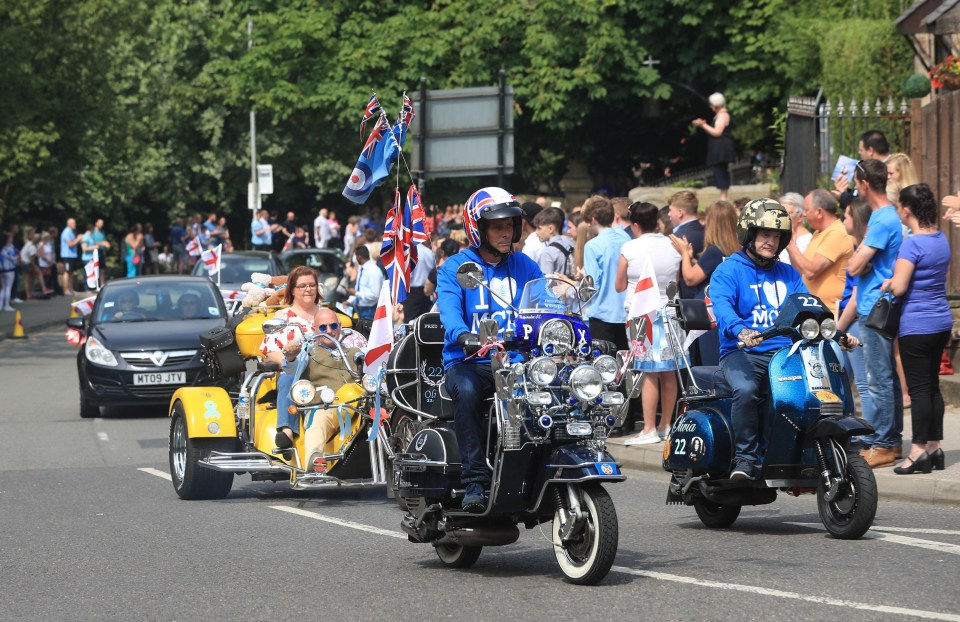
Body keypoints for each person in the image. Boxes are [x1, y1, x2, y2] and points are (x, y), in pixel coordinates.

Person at [437, 187, 543, 512]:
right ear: (478, 228)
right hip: (468, 360)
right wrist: (464, 335)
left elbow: (545, 303)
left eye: (510, 225)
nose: (505, 232)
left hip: (515, 361)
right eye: (497, 226)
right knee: (466, 393)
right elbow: (450, 310)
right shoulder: (455, 267)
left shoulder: (525, 265)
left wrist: (563, 325)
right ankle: (474, 483)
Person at [710, 199, 812, 480]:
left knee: (805, 394)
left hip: (783, 353)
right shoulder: (728, 270)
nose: (771, 241)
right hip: (740, 351)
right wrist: (741, 331)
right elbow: (722, 307)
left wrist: (835, 331)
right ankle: (745, 459)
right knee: (746, 390)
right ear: (750, 234)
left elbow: (807, 306)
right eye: (765, 234)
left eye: (777, 236)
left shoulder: (788, 272)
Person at [882, 184, 952, 474]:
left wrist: (887, 283)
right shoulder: (941, 239)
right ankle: (935, 448)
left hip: (917, 325)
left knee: (919, 389)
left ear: (907, 210)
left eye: (899, 207)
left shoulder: (912, 244)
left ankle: (918, 451)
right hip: (941, 322)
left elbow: (899, 286)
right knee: (933, 386)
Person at [846, 159, 904, 468]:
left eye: (857, 183)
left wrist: (858, 260)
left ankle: (884, 443)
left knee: (878, 378)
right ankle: (889, 439)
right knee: (886, 378)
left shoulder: (882, 219)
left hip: (873, 307)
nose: (855, 188)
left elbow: (855, 266)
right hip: (877, 305)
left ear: (865, 183)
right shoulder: (885, 216)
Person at [616, 202, 684, 445]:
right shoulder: (672, 246)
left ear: (635, 225)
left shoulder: (630, 247)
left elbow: (619, 284)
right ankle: (666, 424)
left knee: (648, 372)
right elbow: (676, 280)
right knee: (668, 371)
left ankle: (649, 427)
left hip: (641, 312)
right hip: (670, 311)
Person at [259, 266, 324, 445]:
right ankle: (287, 430)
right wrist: (292, 361)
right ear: (292, 290)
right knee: (289, 378)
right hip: (294, 372)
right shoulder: (282, 316)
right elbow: (269, 350)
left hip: (326, 369)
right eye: (302, 286)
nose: (308, 289)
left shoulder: (327, 315)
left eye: (312, 285)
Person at [670, 200, 740, 366]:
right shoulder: (738, 250)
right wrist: (694, 259)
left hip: (712, 316)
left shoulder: (714, 251)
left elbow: (690, 278)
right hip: (733, 312)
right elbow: (707, 270)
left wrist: (684, 253)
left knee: (712, 365)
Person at [782, 190, 854, 317]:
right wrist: (790, 244)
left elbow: (811, 271)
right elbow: (801, 268)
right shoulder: (819, 233)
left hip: (828, 315)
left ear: (819, 212)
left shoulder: (837, 234)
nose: (803, 214)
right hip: (812, 313)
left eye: (807, 210)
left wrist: (791, 245)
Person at [583, 196, 630, 352]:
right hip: (626, 311)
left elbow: (592, 285)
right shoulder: (627, 238)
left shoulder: (592, 245)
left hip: (602, 313)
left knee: (604, 366)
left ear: (594, 219)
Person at [693, 93, 735, 201]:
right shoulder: (720, 115)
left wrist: (703, 125)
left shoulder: (723, 115)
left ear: (716, 105)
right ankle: (722, 196)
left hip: (721, 148)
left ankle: (723, 197)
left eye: (711, 105)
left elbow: (717, 132)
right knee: (719, 170)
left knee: (721, 171)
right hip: (719, 148)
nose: (710, 107)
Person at [834, 129, 890, 209]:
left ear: (870, 151)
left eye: (861, 150)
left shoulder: (889, 170)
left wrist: (843, 196)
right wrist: (844, 193)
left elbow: (866, 202)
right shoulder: (873, 168)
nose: (859, 153)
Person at [533, 206, 575, 278]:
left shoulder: (547, 252)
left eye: (539, 228)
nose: (536, 232)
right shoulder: (569, 241)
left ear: (550, 229)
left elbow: (546, 282)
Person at [347, 244, 383, 321]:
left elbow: (374, 295)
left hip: (369, 310)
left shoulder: (373, 271)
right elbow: (360, 289)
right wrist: (349, 301)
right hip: (359, 309)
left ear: (359, 257)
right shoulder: (362, 269)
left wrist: (356, 293)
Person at [777, 193, 810, 264]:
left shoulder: (807, 241)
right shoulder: (780, 235)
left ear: (800, 216)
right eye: (780, 213)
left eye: (787, 213)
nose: (782, 217)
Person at [60, 218, 81, 295]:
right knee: (67, 272)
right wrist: (78, 239)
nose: (75, 224)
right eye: (73, 223)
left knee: (71, 272)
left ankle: (70, 289)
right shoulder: (66, 232)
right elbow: (70, 244)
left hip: (72, 255)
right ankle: (65, 290)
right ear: (69, 224)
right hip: (67, 255)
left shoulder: (71, 232)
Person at [0, 230, 17, 311]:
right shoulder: (10, 248)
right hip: (10, 270)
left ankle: (0, 305)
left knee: (3, 288)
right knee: (8, 288)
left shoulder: (2, 248)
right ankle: (6, 305)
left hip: (2, 270)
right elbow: (14, 259)